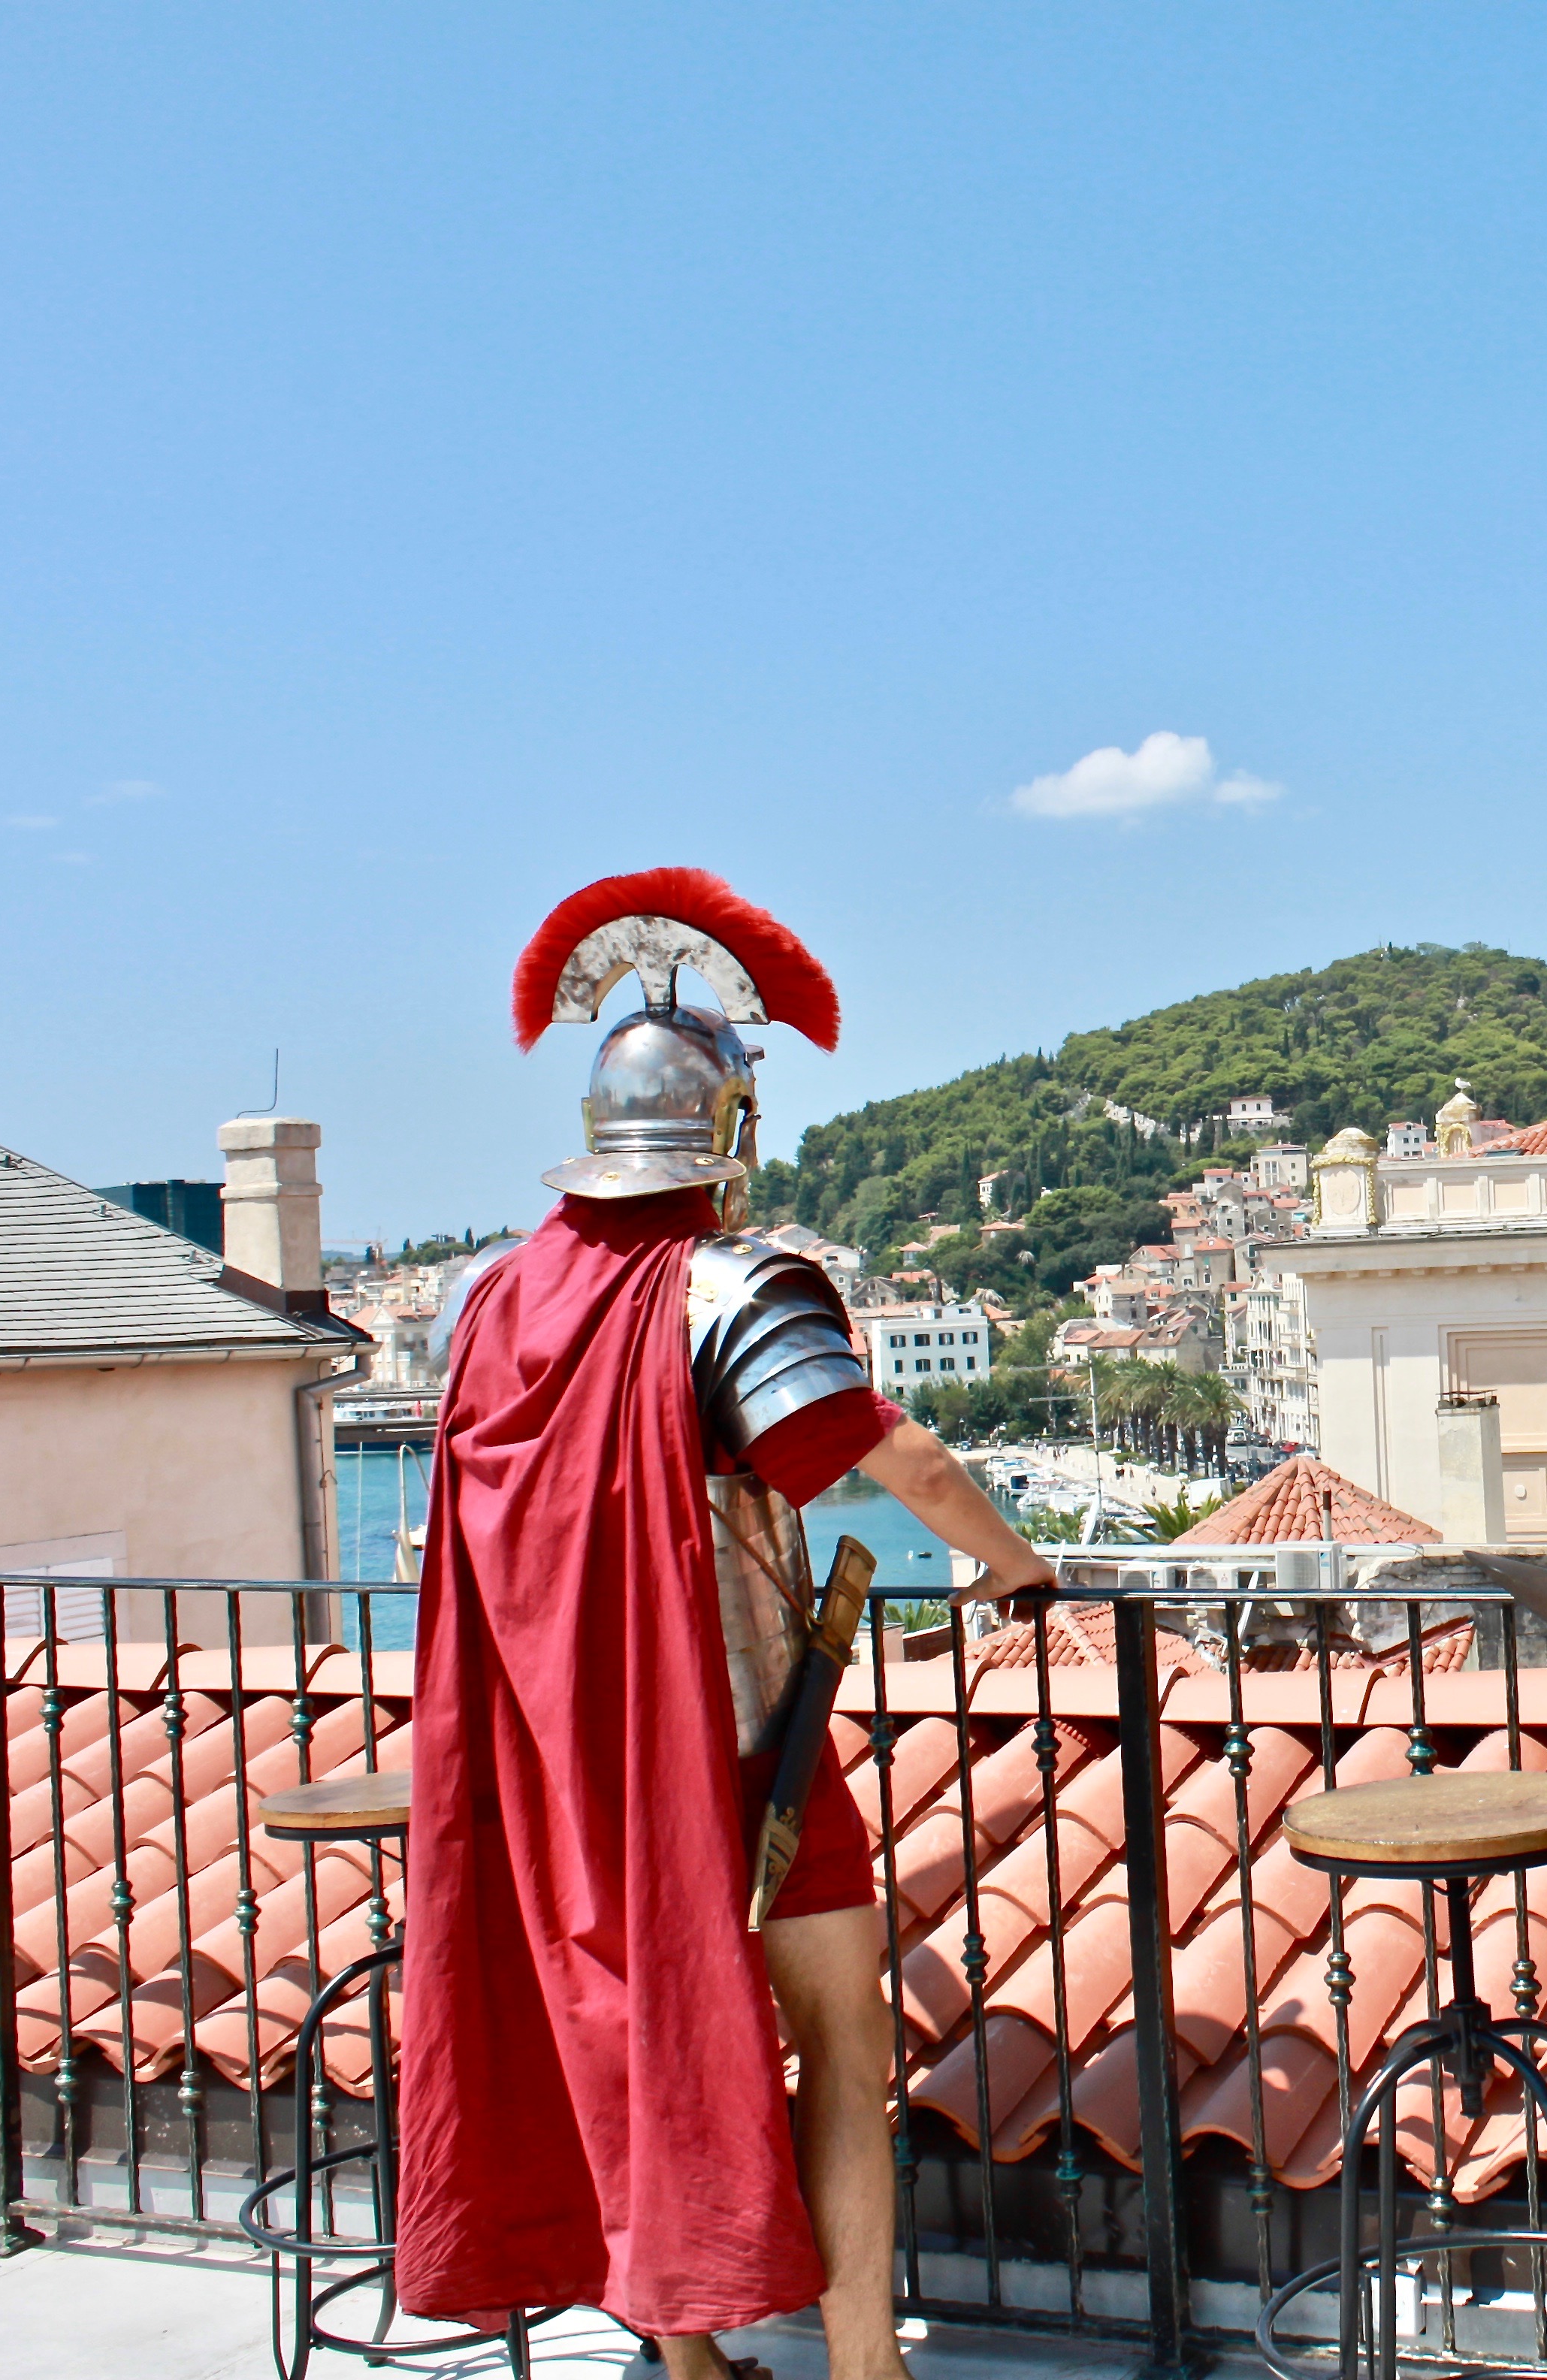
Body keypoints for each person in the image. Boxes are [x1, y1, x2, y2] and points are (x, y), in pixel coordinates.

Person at [397, 869, 1056, 2380]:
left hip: (551, 1766)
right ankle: (864, 2362)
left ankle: (695, 2368)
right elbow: (905, 1462)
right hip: (735, 1749)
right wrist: (1019, 1568)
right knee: (839, 2032)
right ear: (729, 1130)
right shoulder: (727, 1286)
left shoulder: (482, 1300)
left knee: (636, 2046)